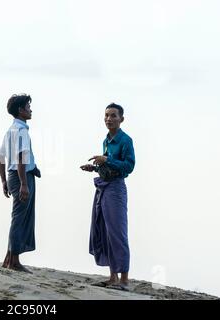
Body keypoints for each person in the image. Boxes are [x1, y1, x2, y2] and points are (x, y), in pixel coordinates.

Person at [80, 103, 135, 291]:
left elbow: (128, 166)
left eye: (113, 116)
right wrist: (95, 168)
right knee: (103, 230)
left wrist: (107, 160)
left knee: (118, 233)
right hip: (103, 186)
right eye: (106, 115)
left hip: (116, 189)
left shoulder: (125, 140)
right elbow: (108, 166)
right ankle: (112, 277)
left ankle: (125, 280)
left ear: (121, 119)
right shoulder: (106, 140)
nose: (109, 119)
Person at [0, 94, 41, 273]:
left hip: (15, 175)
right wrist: (23, 183)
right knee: (20, 218)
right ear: (21, 110)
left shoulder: (11, 130)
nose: (30, 109)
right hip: (21, 177)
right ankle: (14, 260)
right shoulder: (21, 130)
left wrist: (4, 181)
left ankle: (9, 258)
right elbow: (21, 156)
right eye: (28, 106)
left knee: (18, 217)